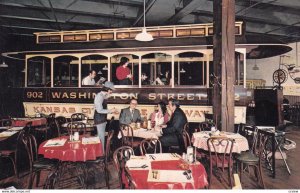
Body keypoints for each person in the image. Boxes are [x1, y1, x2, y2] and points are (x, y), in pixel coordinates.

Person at [94, 81, 118, 151]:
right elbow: (99, 110)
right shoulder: (100, 96)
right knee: (101, 138)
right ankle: (102, 155)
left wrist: (112, 110)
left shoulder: (103, 95)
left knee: (101, 138)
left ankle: (102, 154)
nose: (112, 92)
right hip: (99, 119)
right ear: (108, 89)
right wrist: (111, 111)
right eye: (111, 90)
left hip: (102, 119)